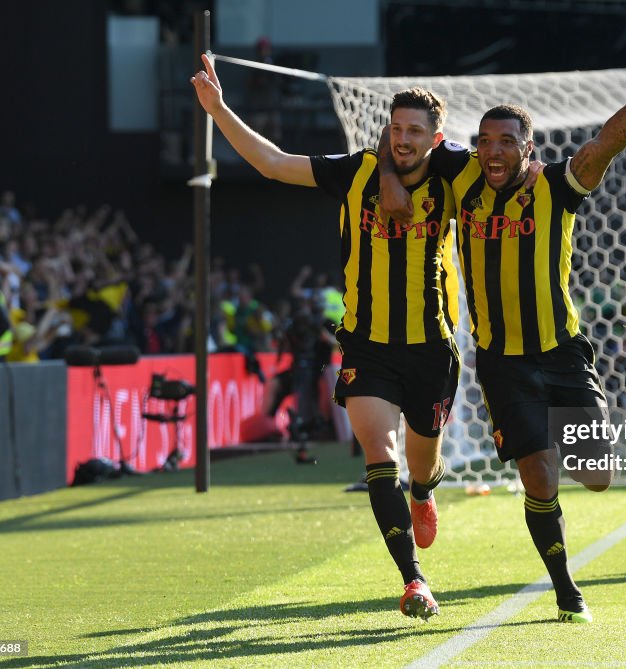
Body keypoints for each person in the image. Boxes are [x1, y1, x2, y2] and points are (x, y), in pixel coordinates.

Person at [380, 43, 626, 623]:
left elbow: (604, 144)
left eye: (506, 142)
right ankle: (567, 591)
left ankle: (565, 436)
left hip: (563, 353)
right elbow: (401, 145)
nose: (493, 151)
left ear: (528, 148)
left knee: (595, 475)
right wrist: (390, 175)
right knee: (537, 475)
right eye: (486, 140)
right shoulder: (460, 174)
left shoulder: (557, 186)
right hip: (501, 363)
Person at [192, 54, 460, 620]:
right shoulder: (355, 171)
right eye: (397, 128)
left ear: (436, 138)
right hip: (367, 344)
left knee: (421, 461)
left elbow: (505, 169)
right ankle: (413, 581)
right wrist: (219, 110)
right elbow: (272, 163)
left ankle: (423, 491)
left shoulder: (455, 173)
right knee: (377, 455)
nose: (404, 139)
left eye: (416, 131)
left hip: (431, 347)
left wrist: (533, 170)